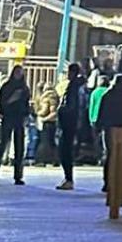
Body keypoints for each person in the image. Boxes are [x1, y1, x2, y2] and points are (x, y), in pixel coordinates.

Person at [0, 64, 30, 185]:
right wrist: (12, 99)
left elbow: (26, 104)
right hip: (8, 118)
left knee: (19, 148)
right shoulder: (7, 87)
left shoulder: (24, 88)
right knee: (2, 146)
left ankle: (18, 175)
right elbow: (2, 103)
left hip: (19, 119)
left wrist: (25, 114)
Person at [55, 62, 86, 191]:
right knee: (66, 150)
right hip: (74, 122)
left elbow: (70, 106)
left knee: (65, 150)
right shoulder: (80, 87)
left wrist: (61, 111)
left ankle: (68, 178)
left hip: (68, 123)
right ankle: (68, 178)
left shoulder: (73, 87)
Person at [34, 84, 57, 166]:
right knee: (49, 141)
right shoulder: (48, 96)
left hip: (47, 121)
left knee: (45, 141)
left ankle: (42, 160)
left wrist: (42, 116)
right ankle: (53, 159)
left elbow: (51, 111)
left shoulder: (50, 97)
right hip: (48, 121)